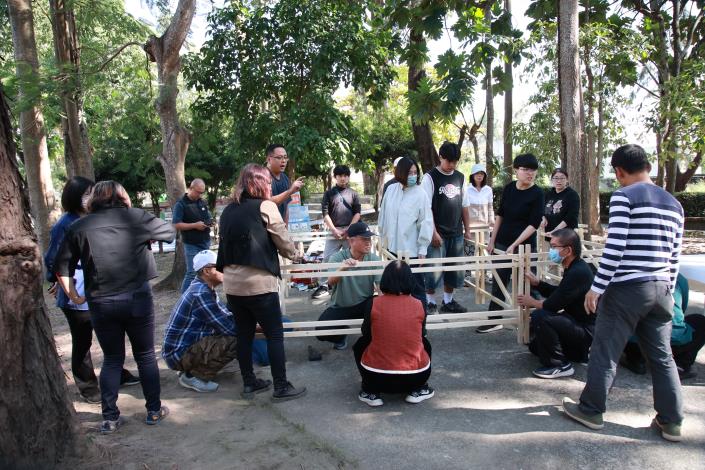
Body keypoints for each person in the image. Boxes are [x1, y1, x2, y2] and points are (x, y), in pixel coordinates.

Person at [561, 144, 685, 442]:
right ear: (648, 167)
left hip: (627, 289)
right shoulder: (675, 205)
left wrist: (597, 287)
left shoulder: (624, 196)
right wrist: (668, 288)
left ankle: (591, 410)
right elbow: (674, 256)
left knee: (605, 350)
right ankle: (672, 421)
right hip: (661, 289)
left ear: (619, 171)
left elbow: (615, 248)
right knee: (662, 357)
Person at [54, 180, 175, 434]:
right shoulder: (136, 217)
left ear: (93, 199)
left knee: (112, 358)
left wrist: (74, 295)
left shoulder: (79, 226)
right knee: (145, 355)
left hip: (101, 302)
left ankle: (109, 418)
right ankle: (154, 410)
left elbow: (61, 267)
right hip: (137, 298)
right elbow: (169, 232)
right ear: (122, 196)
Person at [44, 177, 139, 404]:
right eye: (87, 193)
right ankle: (87, 386)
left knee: (111, 335)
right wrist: (59, 282)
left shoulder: (97, 217)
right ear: (75, 197)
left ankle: (117, 373)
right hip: (77, 294)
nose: (91, 197)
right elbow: (53, 260)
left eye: (93, 192)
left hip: (102, 290)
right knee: (83, 340)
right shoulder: (65, 224)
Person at [217, 163, 306, 402]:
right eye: (267, 181)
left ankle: (249, 382)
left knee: (244, 334)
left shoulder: (228, 210)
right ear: (258, 183)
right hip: (258, 283)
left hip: (232, 285)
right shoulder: (266, 206)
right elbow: (282, 239)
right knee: (274, 334)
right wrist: (296, 255)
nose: (269, 185)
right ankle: (281, 386)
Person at [516, 229, 595, 379]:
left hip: (585, 331)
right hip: (576, 324)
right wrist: (538, 284)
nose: (551, 251)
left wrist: (531, 302)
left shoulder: (577, 272)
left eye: (554, 247)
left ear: (568, 250)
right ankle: (577, 354)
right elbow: (560, 293)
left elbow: (552, 305)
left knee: (541, 316)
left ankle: (559, 365)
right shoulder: (574, 266)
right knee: (535, 347)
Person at [354, 261, 434, 407]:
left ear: (385, 279)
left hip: (376, 378)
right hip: (415, 377)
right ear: (410, 280)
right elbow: (422, 333)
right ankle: (418, 390)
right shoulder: (419, 304)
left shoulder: (373, 303)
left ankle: (370, 392)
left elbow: (366, 333)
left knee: (360, 344)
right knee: (425, 342)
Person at [482, 153, 544, 333]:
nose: (530, 173)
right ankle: (494, 320)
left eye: (533, 170)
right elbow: (500, 214)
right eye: (526, 169)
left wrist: (515, 244)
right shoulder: (509, 188)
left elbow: (534, 224)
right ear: (516, 170)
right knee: (499, 283)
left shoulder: (538, 193)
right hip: (502, 243)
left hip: (525, 247)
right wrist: (492, 240)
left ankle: (534, 324)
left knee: (527, 284)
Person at [163, 250, 237, 393]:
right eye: (220, 267)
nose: (225, 271)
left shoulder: (203, 288)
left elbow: (225, 316)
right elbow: (230, 328)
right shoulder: (201, 293)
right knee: (236, 341)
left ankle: (190, 368)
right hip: (178, 354)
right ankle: (193, 376)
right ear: (207, 271)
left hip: (180, 350)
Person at [620, 273, 705, 381]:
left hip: (637, 338)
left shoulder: (629, 273)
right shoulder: (678, 278)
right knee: (699, 321)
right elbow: (681, 310)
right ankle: (681, 363)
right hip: (669, 338)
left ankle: (636, 359)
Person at [315, 222, 381, 350]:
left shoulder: (374, 259)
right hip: (341, 306)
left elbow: (380, 289)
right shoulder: (337, 257)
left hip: (364, 304)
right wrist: (343, 268)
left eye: (369, 239)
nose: (369, 242)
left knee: (379, 305)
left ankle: (371, 339)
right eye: (364, 239)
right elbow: (330, 282)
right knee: (321, 331)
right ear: (351, 241)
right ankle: (340, 336)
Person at [378, 156, 433, 310]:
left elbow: (425, 222)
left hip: (412, 251)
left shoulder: (420, 194)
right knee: (393, 289)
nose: (413, 176)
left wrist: (423, 248)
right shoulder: (391, 190)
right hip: (391, 249)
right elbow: (383, 216)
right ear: (401, 173)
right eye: (409, 173)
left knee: (416, 289)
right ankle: (397, 319)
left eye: (415, 173)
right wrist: (382, 240)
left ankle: (421, 322)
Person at [421, 141, 469, 314]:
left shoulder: (460, 177)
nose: (452, 165)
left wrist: (468, 230)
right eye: (449, 161)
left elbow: (464, 205)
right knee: (433, 271)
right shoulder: (429, 177)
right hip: (436, 233)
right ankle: (430, 302)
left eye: (455, 162)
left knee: (454, 270)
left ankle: (448, 301)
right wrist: (433, 232)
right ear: (440, 157)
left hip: (456, 232)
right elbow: (426, 208)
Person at [311, 164, 362, 300]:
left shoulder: (353, 193)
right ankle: (324, 285)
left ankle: (354, 284)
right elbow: (325, 214)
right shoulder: (329, 193)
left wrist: (349, 229)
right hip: (333, 231)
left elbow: (357, 213)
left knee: (353, 258)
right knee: (328, 258)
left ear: (348, 177)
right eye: (340, 175)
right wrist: (333, 229)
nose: (343, 178)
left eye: (345, 175)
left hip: (350, 232)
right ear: (335, 177)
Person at [173, 178, 213, 293]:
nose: (200, 195)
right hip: (191, 244)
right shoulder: (181, 204)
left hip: (205, 241)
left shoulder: (202, 202)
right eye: (198, 192)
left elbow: (207, 217)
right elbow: (176, 224)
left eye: (202, 192)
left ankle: (203, 295)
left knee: (207, 271)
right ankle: (184, 299)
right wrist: (195, 225)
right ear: (191, 188)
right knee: (192, 272)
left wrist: (210, 222)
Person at [266, 143, 305, 223]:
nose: (283, 161)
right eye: (279, 157)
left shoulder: (285, 178)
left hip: (279, 226)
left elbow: (287, 205)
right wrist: (290, 191)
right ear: (269, 159)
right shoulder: (262, 177)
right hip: (264, 226)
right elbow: (266, 203)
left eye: (285, 157)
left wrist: (285, 227)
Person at [462, 163, 494, 256]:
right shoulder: (467, 189)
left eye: (482, 173)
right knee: (471, 253)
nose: (479, 175)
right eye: (477, 173)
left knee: (484, 254)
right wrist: (465, 227)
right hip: (471, 228)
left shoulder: (488, 190)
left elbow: (490, 207)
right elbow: (464, 208)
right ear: (472, 175)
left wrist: (492, 221)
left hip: (484, 227)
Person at [541, 168, 580, 236]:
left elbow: (571, 217)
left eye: (562, 178)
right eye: (556, 178)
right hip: (547, 234)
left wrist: (555, 230)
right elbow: (541, 209)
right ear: (552, 180)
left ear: (567, 180)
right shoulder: (548, 194)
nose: (559, 181)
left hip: (565, 235)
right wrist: (543, 218)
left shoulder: (572, 195)